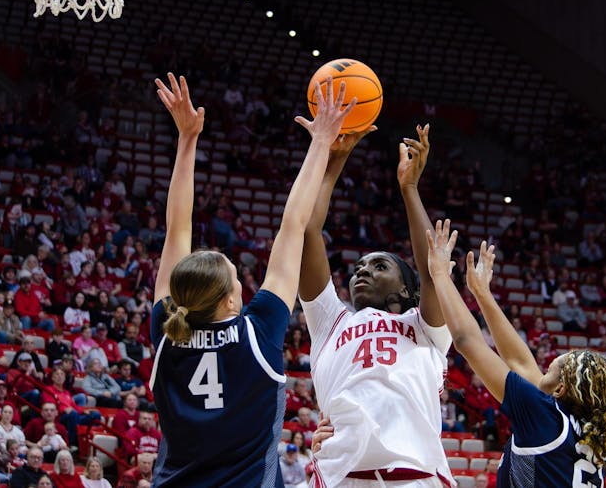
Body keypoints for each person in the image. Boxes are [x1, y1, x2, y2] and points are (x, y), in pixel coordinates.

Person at [148, 73, 350, 487]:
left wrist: (186, 140)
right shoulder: (257, 335)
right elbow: (293, 225)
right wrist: (320, 142)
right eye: (236, 276)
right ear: (229, 300)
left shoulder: (168, 331)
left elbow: (176, 230)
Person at [298, 124, 454, 486]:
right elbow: (308, 233)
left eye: (380, 266)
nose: (363, 271)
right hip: (342, 473)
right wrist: (336, 160)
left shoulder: (424, 327)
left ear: (405, 290)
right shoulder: (330, 322)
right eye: (358, 268)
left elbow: (433, 273)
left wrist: (409, 189)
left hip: (415, 474)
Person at [425, 223, 606, 487]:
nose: (543, 367)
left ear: (561, 389)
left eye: (552, 368)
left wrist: (440, 275)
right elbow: (519, 362)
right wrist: (482, 294)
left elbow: (467, 341)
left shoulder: (544, 417)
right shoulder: (584, 433)